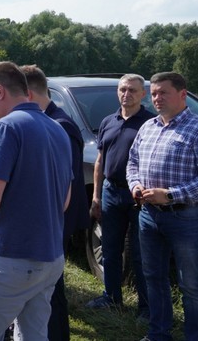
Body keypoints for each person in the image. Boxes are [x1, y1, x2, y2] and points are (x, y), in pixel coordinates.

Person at [0, 62, 71, 340]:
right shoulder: (58, 128)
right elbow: (63, 201)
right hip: (50, 258)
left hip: (12, 258)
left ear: (0, 91)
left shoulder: (6, 126)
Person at [22, 64, 90, 341]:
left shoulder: (59, 125)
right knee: (45, 286)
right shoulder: (46, 121)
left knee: (51, 288)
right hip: (48, 218)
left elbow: (64, 182)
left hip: (55, 219)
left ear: (27, 94)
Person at [128, 72, 198, 341]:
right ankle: (158, 333)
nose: (156, 98)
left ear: (182, 94)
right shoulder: (148, 126)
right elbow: (133, 162)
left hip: (185, 217)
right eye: (154, 93)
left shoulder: (195, 128)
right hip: (148, 215)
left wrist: (169, 195)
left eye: (163, 93)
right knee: (153, 277)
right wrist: (135, 185)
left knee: (191, 284)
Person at [86, 74, 152, 322]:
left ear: (143, 94)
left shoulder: (150, 123)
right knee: (110, 248)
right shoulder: (108, 121)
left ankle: (146, 307)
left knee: (140, 253)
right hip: (111, 191)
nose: (127, 94)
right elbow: (99, 161)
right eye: (123, 89)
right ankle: (111, 297)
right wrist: (96, 196)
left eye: (133, 90)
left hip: (139, 196)